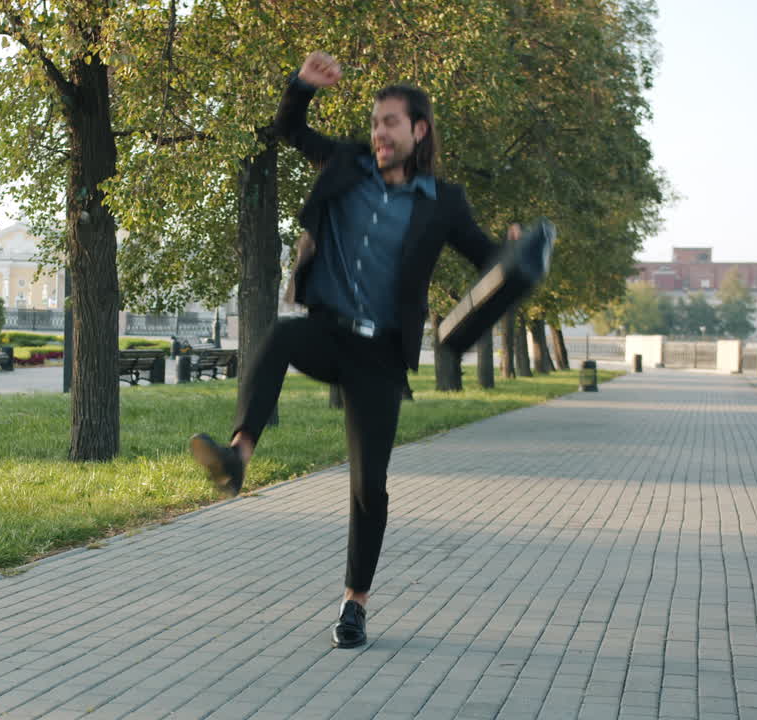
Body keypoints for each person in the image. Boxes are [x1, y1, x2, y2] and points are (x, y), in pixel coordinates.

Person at [190, 51, 521, 649]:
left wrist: (512, 255)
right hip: (329, 331)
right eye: (374, 122)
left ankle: (354, 604)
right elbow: (290, 130)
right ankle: (239, 453)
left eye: (389, 123)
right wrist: (300, 87)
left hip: (380, 356)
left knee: (370, 486)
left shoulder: (444, 201)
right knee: (285, 333)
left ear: (417, 130)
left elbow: (483, 257)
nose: (378, 133)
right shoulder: (346, 162)